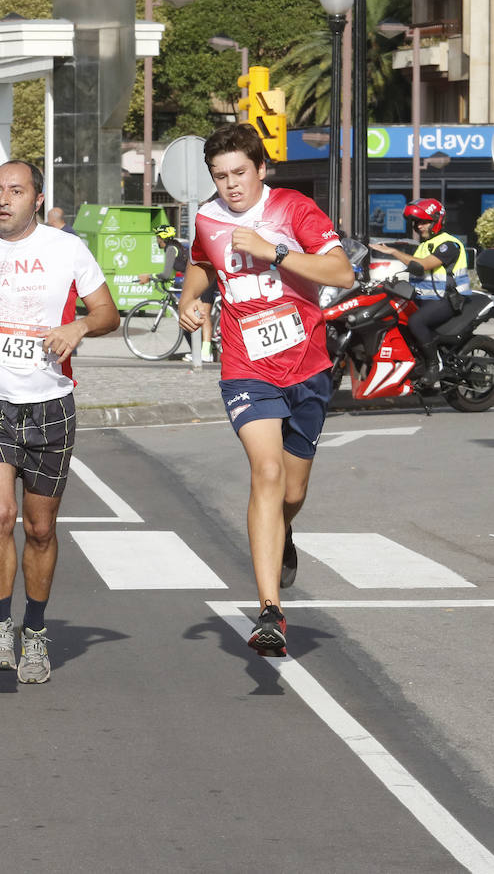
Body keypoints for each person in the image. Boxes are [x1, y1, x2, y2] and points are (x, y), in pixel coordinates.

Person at [0, 160, 119, 685]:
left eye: (15, 191)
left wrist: (79, 325)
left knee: (39, 528)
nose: (3, 200)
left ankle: (34, 632)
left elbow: (108, 312)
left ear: (37, 199)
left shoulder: (67, 249)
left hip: (51, 402)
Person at [179, 123, 352, 656]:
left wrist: (275, 252)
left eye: (238, 173)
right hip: (245, 365)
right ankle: (270, 611)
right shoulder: (208, 218)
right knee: (267, 471)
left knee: (291, 493)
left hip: (307, 364)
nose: (230, 186)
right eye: (219, 176)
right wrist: (193, 300)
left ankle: (284, 533)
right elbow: (202, 265)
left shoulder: (294, 210)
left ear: (261, 170)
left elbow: (341, 272)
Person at [369, 199, 469, 388]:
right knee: (393, 315)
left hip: (447, 299)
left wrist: (392, 251)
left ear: (437, 220)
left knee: (416, 321)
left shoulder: (448, 245)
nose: (419, 226)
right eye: (417, 222)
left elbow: (421, 266)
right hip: (425, 298)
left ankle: (434, 365)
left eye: (424, 222)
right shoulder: (424, 245)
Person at [140, 224, 216, 362]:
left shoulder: (170, 249)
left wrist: (150, 277)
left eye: (158, 237)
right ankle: (198, 351)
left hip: (205, 279)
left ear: (162, 237)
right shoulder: (175, 247)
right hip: (198, 280)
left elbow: (165, 273)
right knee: (188, 315)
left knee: (203, 315)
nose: (157, 240)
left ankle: (205, 353)